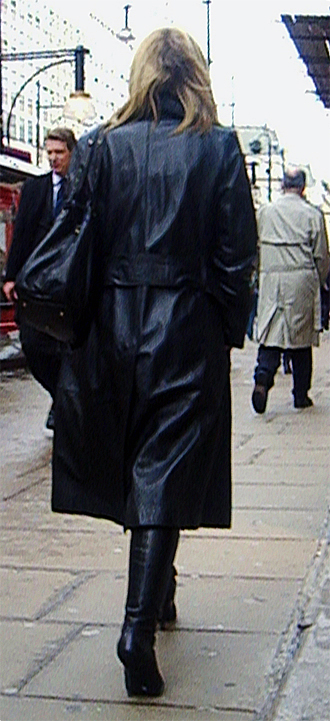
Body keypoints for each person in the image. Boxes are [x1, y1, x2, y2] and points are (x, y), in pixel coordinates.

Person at [51, 28, 257, 697]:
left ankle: (160, 591)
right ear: (194, 75)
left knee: (138, 459)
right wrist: (227, 328)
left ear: (141, 75)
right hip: (185, 324)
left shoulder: (102, 147)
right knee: (166, 464)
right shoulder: (219, 147)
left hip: (111, 327)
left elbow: (76, 236)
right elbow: (235, 256)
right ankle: (137, 628)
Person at [3, 127, 77, 432]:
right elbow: (20, 235)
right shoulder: (34, 189)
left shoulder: (83, 186)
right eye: (49, 152)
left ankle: (66, 404)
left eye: (59, 152)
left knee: (70, 347)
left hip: (71, 284)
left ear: (72, 153)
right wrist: (10, 277)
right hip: (37, 284)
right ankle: (60, 398)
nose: (53, 158)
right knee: (33, 345)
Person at [252, 168, 330, 414]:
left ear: (283, 185)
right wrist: (316, 281)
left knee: (271, 335)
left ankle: (263, 379)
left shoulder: (265, 212)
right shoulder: (312, 215)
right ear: (303, 187)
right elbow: (322, 255)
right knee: (301, 339)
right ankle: (300, 395)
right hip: (301, 277)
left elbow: (252, 248)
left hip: (272, 277)